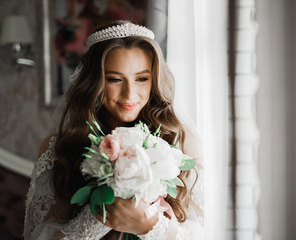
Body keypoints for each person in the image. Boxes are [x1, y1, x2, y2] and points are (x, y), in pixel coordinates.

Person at [24, 20, 204, 240]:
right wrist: (99, 217)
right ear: (94, 82)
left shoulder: (182, 141)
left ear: (154, 80)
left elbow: (207, 232)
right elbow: (37, 236)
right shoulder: (60, 148)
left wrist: (149, 226)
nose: (129, 94)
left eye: (141, 79)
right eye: (115, 79)